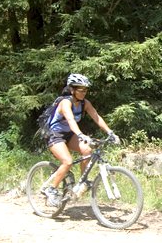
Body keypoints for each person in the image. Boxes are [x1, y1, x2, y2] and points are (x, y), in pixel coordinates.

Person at [44, 73, 120, 207]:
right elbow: (70, 119)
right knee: (68, 161)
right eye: (80, 89)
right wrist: (80, 134)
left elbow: (96, 117)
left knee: (87, 150)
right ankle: (52, 190)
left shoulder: (85, 103)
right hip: (55, 134)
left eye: (85, 90)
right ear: (72, 89)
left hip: (69, 134)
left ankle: (82, 181)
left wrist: (110, 132)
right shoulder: (65, 102)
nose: (84, 92)